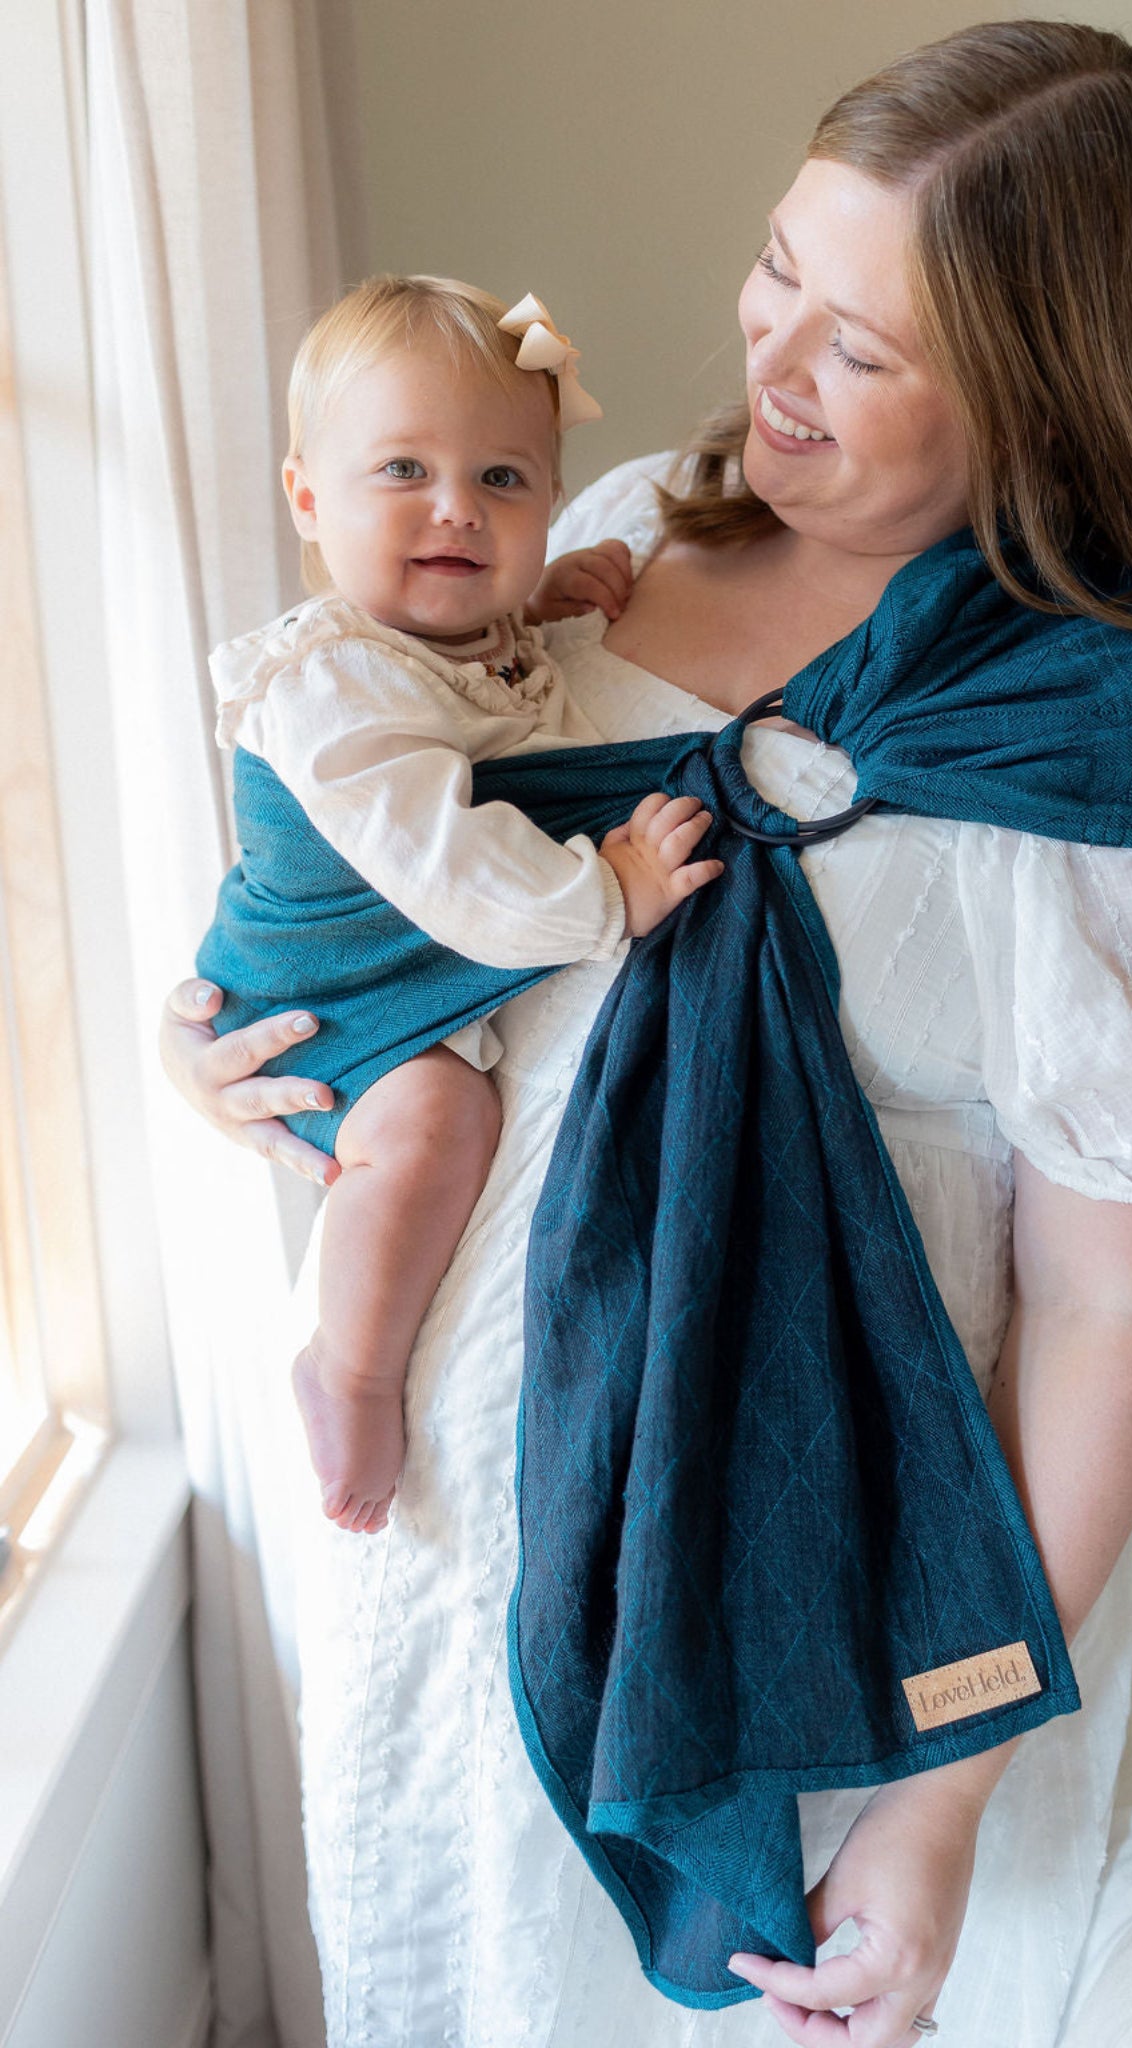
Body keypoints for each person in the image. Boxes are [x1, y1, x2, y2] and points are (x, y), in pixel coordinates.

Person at [161, 21, 1132, 2047]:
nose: (771, 361)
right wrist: (254, 1042)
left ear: (1046, 394)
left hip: (838, 1618)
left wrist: (936, 1797)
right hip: (465, 1555)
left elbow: (1095, 1321)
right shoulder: (607, 534)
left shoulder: (1116, 763)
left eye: (860, 347)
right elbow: (394, 870)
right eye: (775, 265)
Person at [196, 273, 721, 1536]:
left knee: (444, 1109)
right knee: (435, 1120)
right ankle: (354, 1366)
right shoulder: (328, 687)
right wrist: (610, 890)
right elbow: (452, 860)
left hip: (393, 968)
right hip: (327, 992)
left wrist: (534, 604)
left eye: (502, 481)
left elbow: (462, 676)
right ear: (307, 498)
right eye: (402, 471)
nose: (455, 508)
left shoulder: (454, 636)